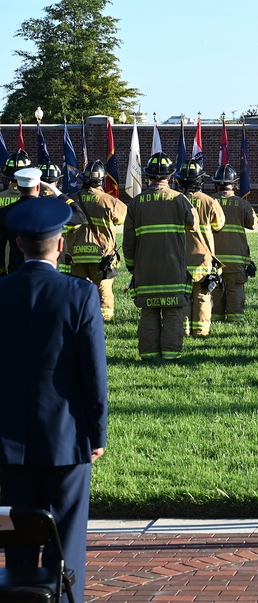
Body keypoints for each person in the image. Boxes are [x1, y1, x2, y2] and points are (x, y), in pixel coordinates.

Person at [0, 196, 108, 603]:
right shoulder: (79, 294)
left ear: (18, 243)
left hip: (9, 438)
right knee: (68, 535)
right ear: (60, 245)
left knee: (19, 535)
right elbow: (92, 371)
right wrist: (96, 432)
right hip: (66, 436)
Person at [122, 153, 199, 361]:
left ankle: (149, 355)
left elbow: (128, 241)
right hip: (173, 269)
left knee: (148, 312)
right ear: (170, 176)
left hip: (145, 270)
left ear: (148, 177)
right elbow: (194, 225)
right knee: (173, 312)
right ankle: (171, 355)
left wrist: (132, 267)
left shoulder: (136, 203)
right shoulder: (180, 200)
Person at [68, 160, 128, 322]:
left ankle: (77, 319)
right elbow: (123, 219)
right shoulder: (111, 201)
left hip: (76, 256)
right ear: (101, 181)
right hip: (101, 257)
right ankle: (105, 321)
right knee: (104, 290)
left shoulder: (71, 200)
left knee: (78, 291)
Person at [0, 167, 85, 277]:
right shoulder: (50, 209)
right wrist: (57, 193)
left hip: (17, 272)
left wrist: (2, 273)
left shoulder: (5, 212)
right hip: (49, 273)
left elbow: (0, 248)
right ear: (38, 187)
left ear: (19, 188)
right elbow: (80, 216)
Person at [176, 158, 226, 337]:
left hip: (179, 258)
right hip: (202, 259)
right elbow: (219, 225)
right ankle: (201, 331)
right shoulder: (209, 201)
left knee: (183, 296)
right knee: (202, 295)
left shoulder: (175, 200)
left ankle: (183, 330)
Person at [210, 165, 258, 323]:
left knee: (215, 289)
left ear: (217, 184)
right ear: (234, 184)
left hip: (213, 259)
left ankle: (215, 318)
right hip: (236, 259)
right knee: (235, 289)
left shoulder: (209, 202)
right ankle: (235, 320)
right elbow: (253, 223)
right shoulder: (242, 204)